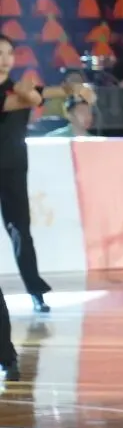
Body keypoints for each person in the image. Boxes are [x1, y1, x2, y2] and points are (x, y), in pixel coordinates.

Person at [0, 34, 54, 313]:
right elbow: (26, 100)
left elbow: (45, 93)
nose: (5, 59)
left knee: (21, 230)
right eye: (0, 53)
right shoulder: (18, 92)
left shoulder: (18, 87)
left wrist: (72, 89)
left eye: (9, 53)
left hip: (13, 168)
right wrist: (31, 94)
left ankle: (36, 291)